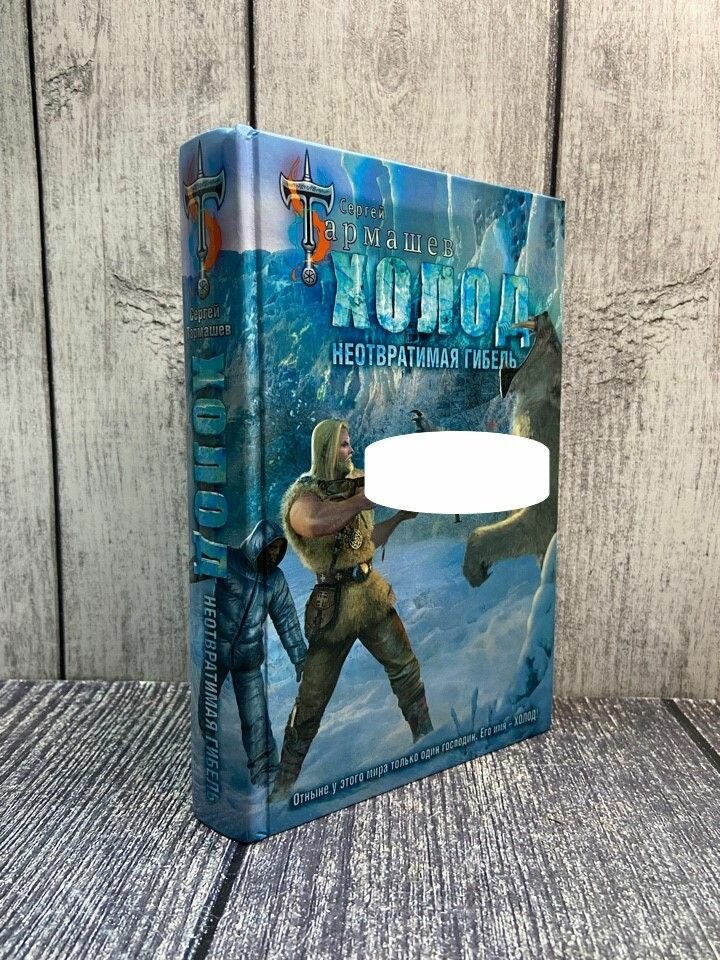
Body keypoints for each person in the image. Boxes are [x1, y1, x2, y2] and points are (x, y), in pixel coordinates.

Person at [269, 419, 433, 802]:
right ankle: (282, 787)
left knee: (406, 670)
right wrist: (365, 498)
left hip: (370, 595)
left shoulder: (356, 483)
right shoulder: (304, 494)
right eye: (344, 445)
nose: (351, 450)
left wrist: (398, 517)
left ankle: (427, 741)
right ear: (327, 449)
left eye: (350, 443)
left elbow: (364, 542)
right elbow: (314, 523)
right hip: (333, 607)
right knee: (311, 703)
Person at [198, 519, 307, 787]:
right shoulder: (229, 559)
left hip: (248, 658)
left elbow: (287, 619)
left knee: (256, 718)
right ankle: (209, 753)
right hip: (217, 651)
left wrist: (300, 658)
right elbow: (197, 559)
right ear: (259, 543)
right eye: (270, 548)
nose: (273, 554)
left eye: (278, 550)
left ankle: (265, 773)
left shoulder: (276, 580)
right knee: (207, 708)